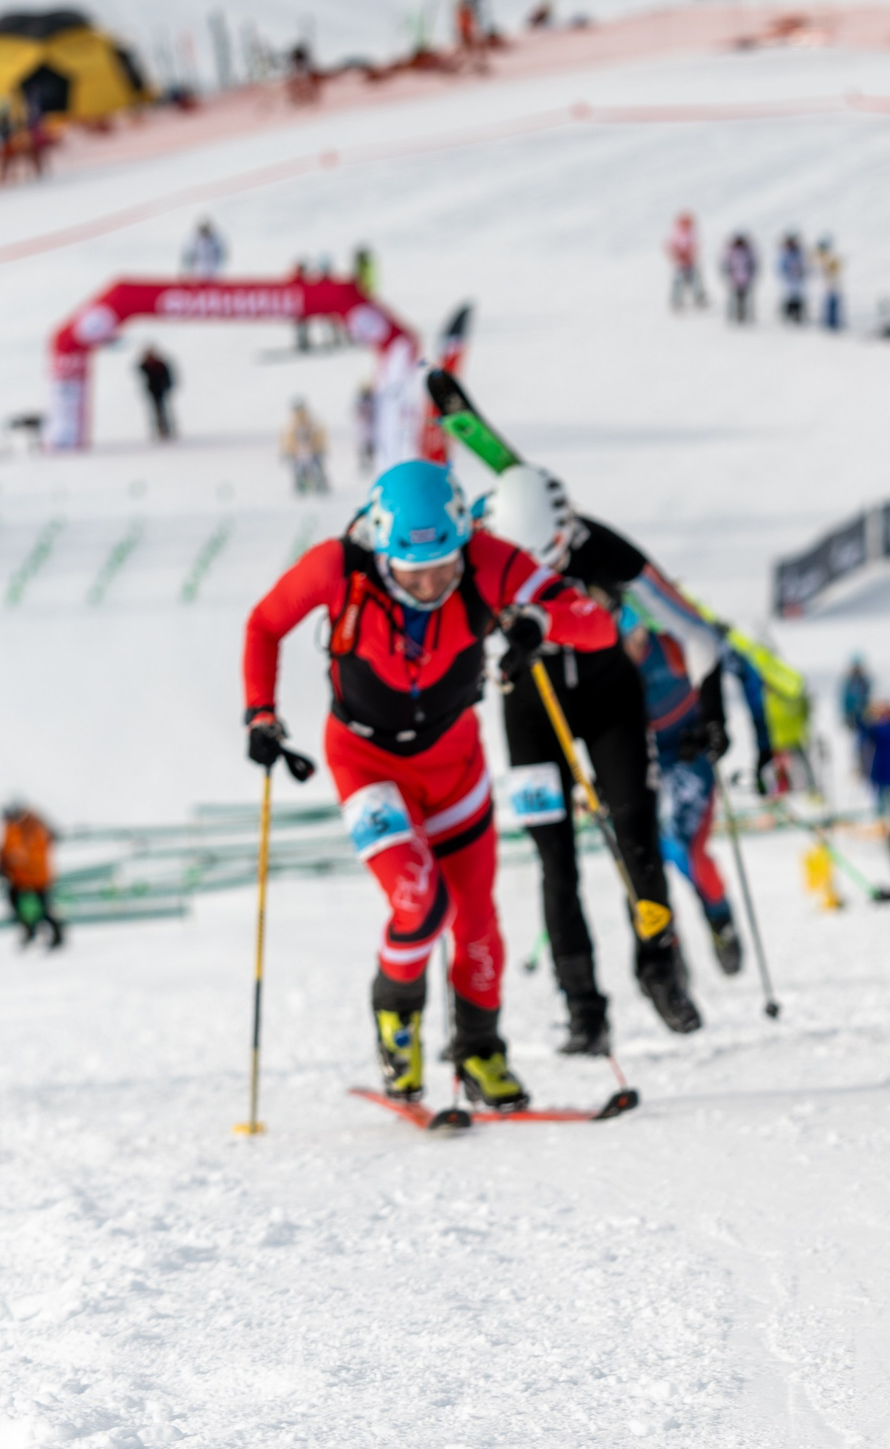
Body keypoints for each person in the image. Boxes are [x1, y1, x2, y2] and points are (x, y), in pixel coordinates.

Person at [241, 461, 618, 1114]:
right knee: (421, 903)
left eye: (445, 566)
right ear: (382, 547)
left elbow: (595, 622)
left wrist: (538, 623)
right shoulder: (337, 567)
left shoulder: (487, 560)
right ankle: (398, 1022)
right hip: (365, 762)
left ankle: (480, 1050)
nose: (432, 583)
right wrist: (261, 712)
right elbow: (264, 625)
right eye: (413, 572)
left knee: (476, 917)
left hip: (454, 766)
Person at [482, 463, 706, 1050]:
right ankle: (583, 1007)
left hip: (610, 703)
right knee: (555, 860)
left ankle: (660, 970)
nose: (542, 576)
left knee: (635, 831)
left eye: (552, 561)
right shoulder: (478, 555)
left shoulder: (599, 546)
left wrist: (710, 708)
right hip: (532, 715)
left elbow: (689, 623)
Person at [625, 578, 770, 977]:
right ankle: (669, 947)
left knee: (690, 850)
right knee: (648, 856)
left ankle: (720, 920)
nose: (633, 650)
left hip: (689, 757)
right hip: (646, 765)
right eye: (625, 644)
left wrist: (723, 728)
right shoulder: (613, 665)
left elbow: (744, 670)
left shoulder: (671, 645)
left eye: (637, 638)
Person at [0, 802, 64, 949]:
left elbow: (27, 854)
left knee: (42, 908)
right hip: (21, 877)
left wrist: (11, 862)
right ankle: (31, 930)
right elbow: (5, 849)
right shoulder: (13, 828)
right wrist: (2, 863)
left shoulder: (32, 827)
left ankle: (55, 933)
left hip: (34, 877)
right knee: (19, 904)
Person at [281, 398, 330, 496]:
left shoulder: (311, 422)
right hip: (298, 454)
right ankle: (302, 486)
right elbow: (287, 439)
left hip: (312, 452)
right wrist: (287, 451)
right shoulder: (292, 424)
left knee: (316, 469)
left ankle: (319, 484)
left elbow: (319, 435)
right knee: (299, 470)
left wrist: (320, 448)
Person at [837, 654, 872, 770]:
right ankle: (858, 764)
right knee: (855, 741)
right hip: (853, 717)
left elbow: (869, 698)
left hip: (865, 717)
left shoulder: (864, 680)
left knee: (865, 740)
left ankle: (865, 763)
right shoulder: (849, 682)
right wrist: (846, 715)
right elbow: (845, 700)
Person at [137, 345, 178, 441]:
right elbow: (140, 369)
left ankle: (166, 429)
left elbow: (167, 375)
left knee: (164, 410)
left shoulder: (160, 364)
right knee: (156, 411)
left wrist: (168, 386)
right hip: (152, 391)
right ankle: (160, 429)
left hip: (161, 390)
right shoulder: (147, 365)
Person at [667, 212, 707, 311]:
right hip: (679, 265)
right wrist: (678, 255)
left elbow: (696, 248)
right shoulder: (676, 234)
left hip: (691, 263)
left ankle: (699, 298)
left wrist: (690, 255)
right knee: (678, 283)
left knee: (696, 282)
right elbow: (670, 247)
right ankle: (676, 301)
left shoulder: (692, 234)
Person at [723, 231, 757, 325]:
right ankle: (733, 316)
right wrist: (728, 276)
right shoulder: (730, 251)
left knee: (745, 298)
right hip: (734, 279)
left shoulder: (748, 251)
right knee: (735, 298)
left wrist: (751, 276)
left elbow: (753, 265)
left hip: (746, 279)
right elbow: (726, 265)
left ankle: (747, 316)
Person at [776, 232, 809, 325]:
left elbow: (804, 264)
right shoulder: (784, 253)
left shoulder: (800, 252)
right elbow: (780, 266)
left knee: (798, 298)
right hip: (788, 279)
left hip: (798, 279)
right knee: (788, 298)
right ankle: (788, 315)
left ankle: (798, 316)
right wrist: (785, 274)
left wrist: (802, 273)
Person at [814, 236, 844, 331]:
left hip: (831, 285)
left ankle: (832, 324)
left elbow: (835, 271)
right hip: (826, 286)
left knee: (832, 305)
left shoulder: (829, 258)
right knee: (827, 305)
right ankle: (828, 324)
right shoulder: (820, 258)